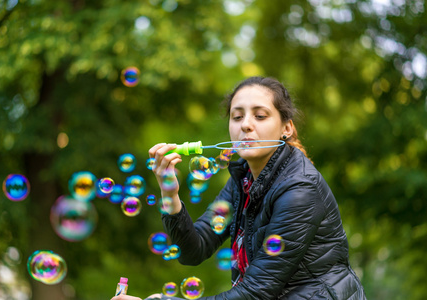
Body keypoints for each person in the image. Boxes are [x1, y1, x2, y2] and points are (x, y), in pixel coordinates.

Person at [111, 76, 367, 300]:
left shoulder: (300, 189)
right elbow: (194, 249)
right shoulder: (242, 181)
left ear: (286, 128)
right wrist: (170, 193)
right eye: (237, 116)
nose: (245, 124)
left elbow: (256, 292)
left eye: (260, 115)